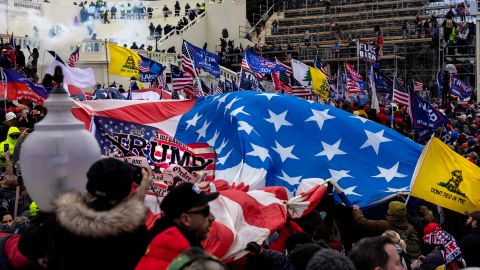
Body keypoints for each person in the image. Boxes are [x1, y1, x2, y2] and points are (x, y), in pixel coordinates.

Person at [31, 158, 152, 270]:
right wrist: (141, 192)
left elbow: (28, 246)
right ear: (126, 190)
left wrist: (44, 214)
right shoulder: (135, 230)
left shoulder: (64, 216)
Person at [135, 182, 218, 269]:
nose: (212, 217)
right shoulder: (187, 263)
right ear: (185, 219)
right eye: (206, 211)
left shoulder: (158, 243)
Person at [352, 201, 421, 260]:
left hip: (402, 260)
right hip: (414, 259)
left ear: (390, 212)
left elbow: (363, 223)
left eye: (389, 208)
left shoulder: (385, 225)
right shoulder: (410, 227)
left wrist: (356, 210)